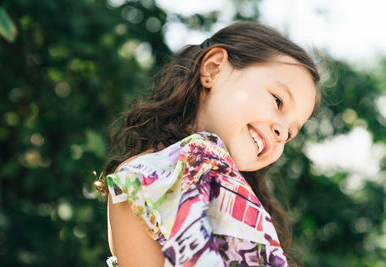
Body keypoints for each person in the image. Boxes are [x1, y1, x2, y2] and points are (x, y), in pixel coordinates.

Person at [98, 21, 320, 267]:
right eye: (277, 100)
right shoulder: (143, 178)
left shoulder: (246, 208)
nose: (281, 132)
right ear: (213, 69)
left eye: (290, 133)